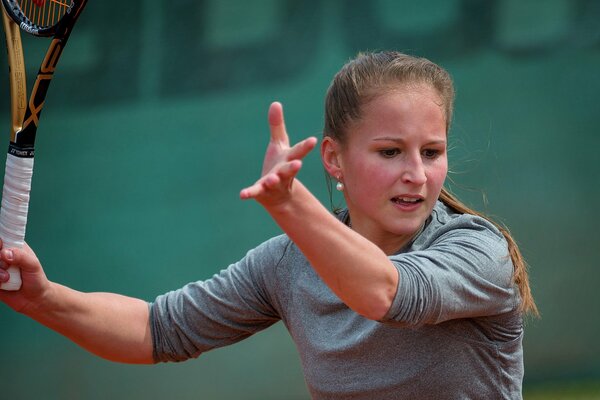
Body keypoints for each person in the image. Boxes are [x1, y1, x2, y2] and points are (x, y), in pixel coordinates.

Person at [0, 51, 537, 399]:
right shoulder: (286, 263)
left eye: (432, 151)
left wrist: (289, 206)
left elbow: (387, 294)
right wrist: (44, 299)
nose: (417, 174)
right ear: (334, 158)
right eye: (391, 151)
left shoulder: (477, 250)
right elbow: (155, 329)